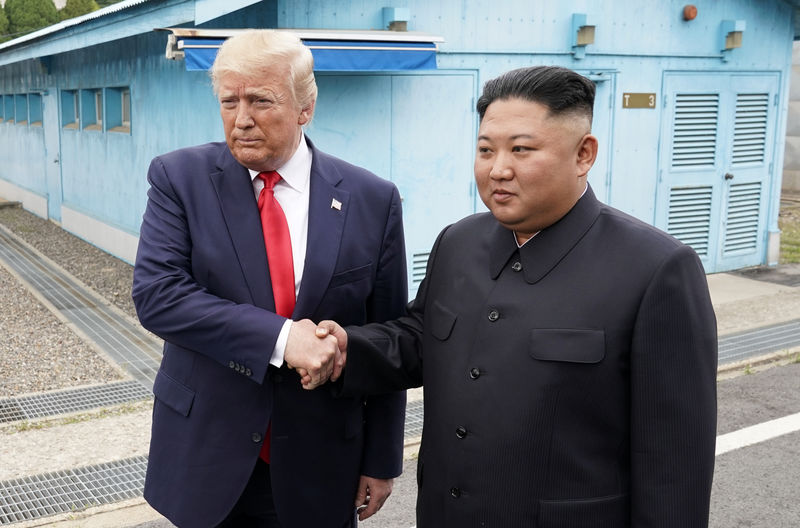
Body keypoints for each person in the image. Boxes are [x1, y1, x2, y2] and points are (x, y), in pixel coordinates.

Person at [312, 66, 718, 527]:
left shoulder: (655, 269)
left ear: (583, 154)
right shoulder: (457, 243)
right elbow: (421, 339)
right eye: (486, 150)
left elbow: (674, 464)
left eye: (521, 150)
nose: (498, 169)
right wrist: (346, 348)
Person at [132, 29, 408, 528]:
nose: (241, 119)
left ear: (306, 106)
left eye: (260, 100)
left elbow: (387, 339)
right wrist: (284, 339)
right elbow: (159, 295)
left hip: (323, 463)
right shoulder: (179, 179)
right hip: (208, 457)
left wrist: (382, 460)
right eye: (228, 101)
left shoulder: (373, 199)